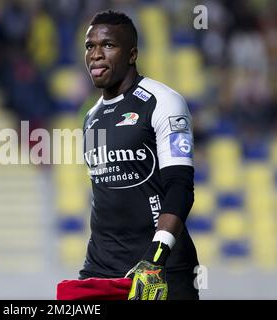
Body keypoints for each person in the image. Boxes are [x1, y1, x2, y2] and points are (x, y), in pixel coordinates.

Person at [80, 10, 199, 300]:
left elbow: (180, 189)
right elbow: (104, 197)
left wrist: (155, 258)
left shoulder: (163, 102)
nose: (96, 54)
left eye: (107, 45)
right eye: (90, 46)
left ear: (132, 54)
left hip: (161, 267)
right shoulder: (91, 117)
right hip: (102, 269)